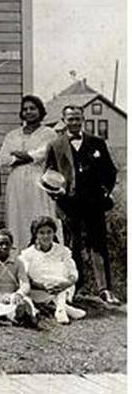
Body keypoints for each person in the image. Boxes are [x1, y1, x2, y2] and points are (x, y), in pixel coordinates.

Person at [45, 105, 119, 304]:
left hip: (94, 204)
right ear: (64, 120)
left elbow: (110, 171)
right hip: (68, 204)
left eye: (78, 119)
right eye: (71, 119)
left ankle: (104, 289)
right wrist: (56, 193)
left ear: (83, 119)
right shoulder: (55, 145)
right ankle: (74, 289)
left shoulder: (96, 143)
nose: (75, 123)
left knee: (98, 245)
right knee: (72, 246)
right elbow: (48, 174)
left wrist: (104, 192)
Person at [0, 95, 60, 249]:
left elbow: (43, 153)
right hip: (17, 181)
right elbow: (3, 159)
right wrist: (24, 158)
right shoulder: (12, 135)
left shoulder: (49, 133)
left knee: (38, 215)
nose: (28, 112)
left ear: (40, 111)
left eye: (32, 108)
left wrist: (22, 154)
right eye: (25, 109)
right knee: (17, 218)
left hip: (38, 181)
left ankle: (42, 253)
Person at [20, 216, 85, 324]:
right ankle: (64, 307)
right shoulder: (27, 254)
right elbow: (23, 277)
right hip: (38, 289)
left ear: (54, 233)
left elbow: (73, 273)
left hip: (62, 288)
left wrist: (66, 283)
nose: (46, 236)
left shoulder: (63, 251)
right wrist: (42, 286)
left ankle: (60, 310)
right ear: (35, 234)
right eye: (41, 233)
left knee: (60, 279)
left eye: (49, 232)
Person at [0, 230, 37, 327]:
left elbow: (25, 283)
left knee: (26, 302)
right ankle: (13, 316)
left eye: (7, 244)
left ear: (11, 245)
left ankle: (23, 313)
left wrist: (19, 294)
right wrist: (0, 297)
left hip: (13, 295)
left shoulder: (18, 262)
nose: (4, 247)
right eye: (1, 244)